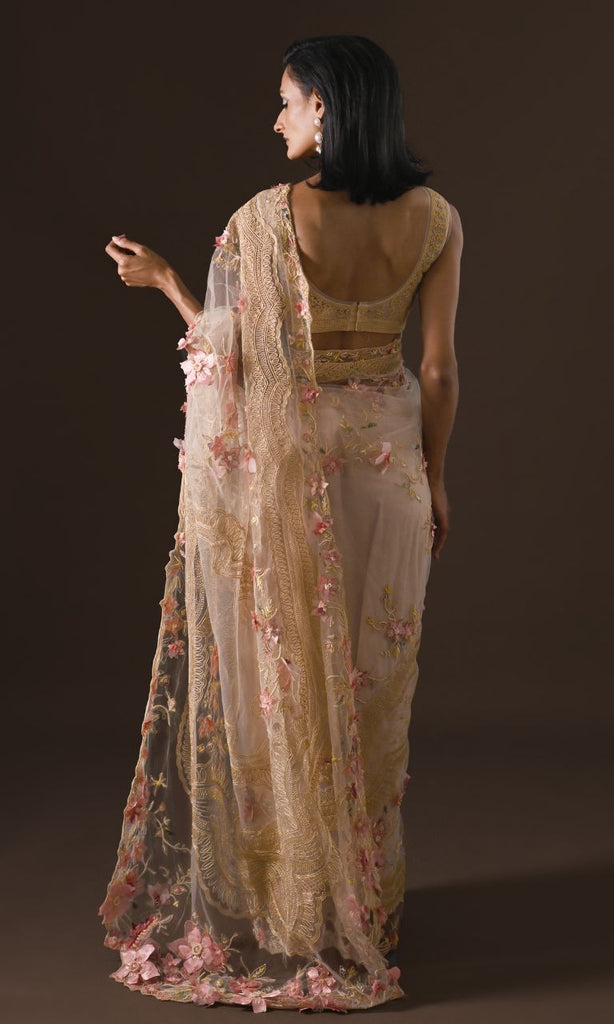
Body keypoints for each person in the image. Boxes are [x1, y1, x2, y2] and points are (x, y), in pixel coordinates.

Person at [99, 34, 462, 1012]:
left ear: (326, 110)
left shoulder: (264, 219)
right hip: (388, 476)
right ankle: (365, 905)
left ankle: (302, 911)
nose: (276, 120)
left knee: (286, 686)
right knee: (373, 688)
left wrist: (168, 284)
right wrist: (435, 479)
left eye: (288, 102)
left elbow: (233, 362)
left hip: (293, 474)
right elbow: (436, 371)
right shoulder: (436, 219)